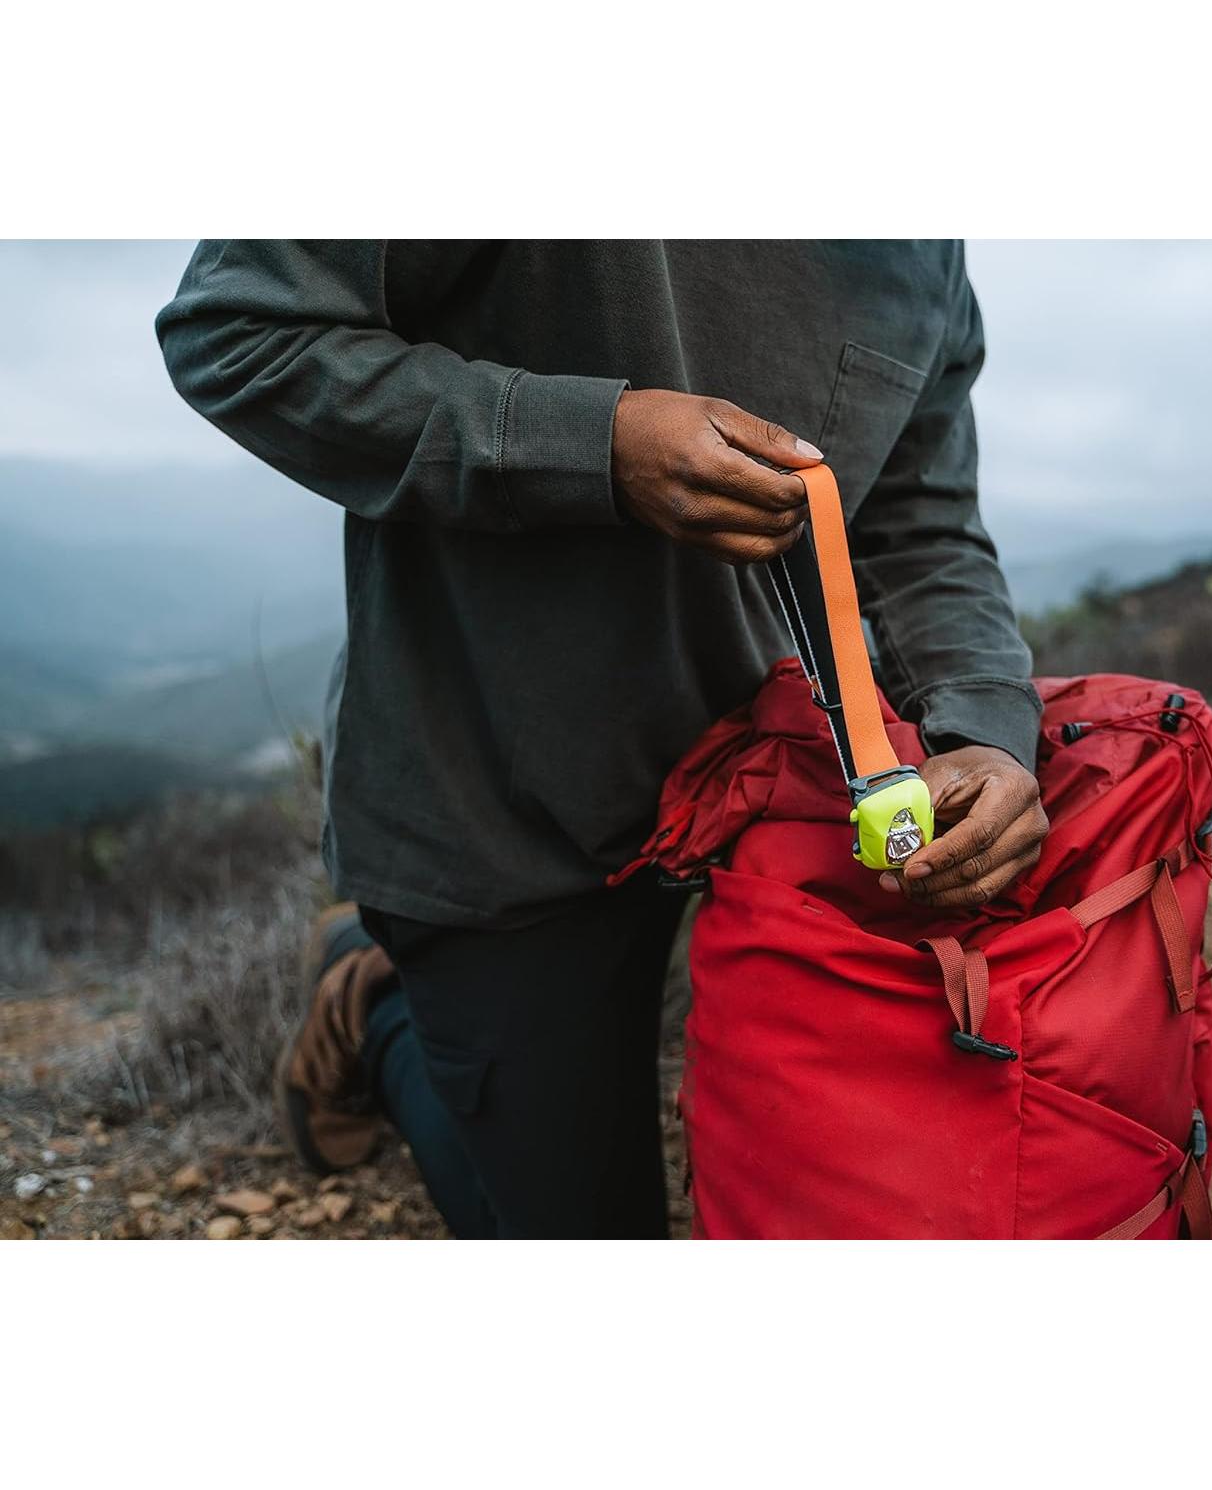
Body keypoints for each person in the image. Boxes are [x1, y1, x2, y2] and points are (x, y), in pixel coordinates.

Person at [157, 241, 1049, 1239]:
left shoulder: (923, 248)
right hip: (494, 808)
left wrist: (990, 730)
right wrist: (599, 443)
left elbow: (922, 523)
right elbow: (235, 334)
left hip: (753, 805)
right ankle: (378, 1013)